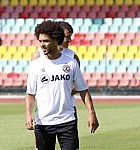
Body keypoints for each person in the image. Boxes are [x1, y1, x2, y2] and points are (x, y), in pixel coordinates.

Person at [25, 20, 99, 150]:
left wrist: (91, 112)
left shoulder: (71, 62)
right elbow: (31, 93)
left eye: (46, 41)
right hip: (44, 121)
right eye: (40, 41)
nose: (42, 45)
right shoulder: (36, 64)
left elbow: (83, 89)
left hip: (67, 120)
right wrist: (28, 114)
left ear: (56, 40)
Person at [32, 21, 81, 148]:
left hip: (67, 110)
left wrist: (62, 90)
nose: (69, 40)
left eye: (70, 36)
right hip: (45, 113)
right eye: (66, 36)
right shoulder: (37, 56)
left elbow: (78, 84)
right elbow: (33, 86)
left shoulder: (72, 57)